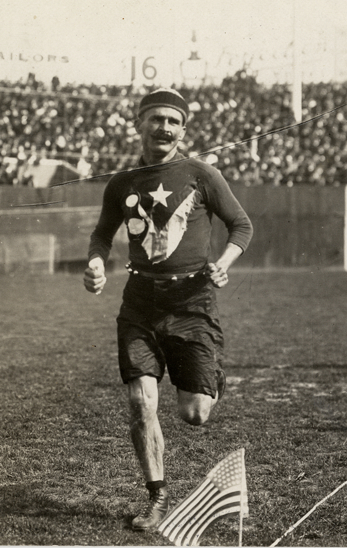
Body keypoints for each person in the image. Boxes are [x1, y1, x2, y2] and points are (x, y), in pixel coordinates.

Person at [83, 87, 253, 531]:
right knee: (141, 402)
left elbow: (241, 225)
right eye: (156, 118)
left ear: (183, 129)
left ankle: (208, 369)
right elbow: (102, 234)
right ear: (139, 124)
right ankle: (156, 496)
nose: (164, 127)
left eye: (173, 121)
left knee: (194, 414)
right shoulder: (122, 182)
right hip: (139, 301)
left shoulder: (201, 173)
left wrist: (224, 262)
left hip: (193, 300)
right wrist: (96, 263)